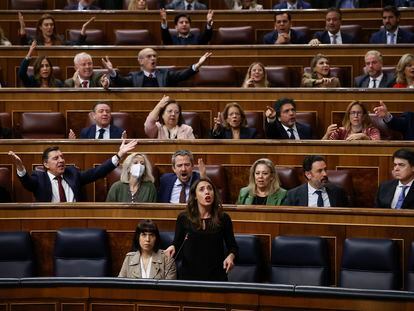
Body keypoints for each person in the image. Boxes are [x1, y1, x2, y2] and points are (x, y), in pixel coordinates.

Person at [8, 139, 138, 202]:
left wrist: (119, 155)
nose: (61, 160)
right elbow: (27, 183)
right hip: (49, 221)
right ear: (46, 164)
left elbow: (97, 173)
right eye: (56, 158)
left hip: (77, 220)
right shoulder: (39, 177)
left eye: (62, 157)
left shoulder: (72, 173)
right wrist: (20, 167)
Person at [165, 178, 238, 281]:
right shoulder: (184, 218)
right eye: (202, 189)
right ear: (195, 196)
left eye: (210, 189)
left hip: (216, 277)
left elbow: (233, 247)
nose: (207, 192)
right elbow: (177, 243)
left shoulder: (223, 218)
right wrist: (172, 247)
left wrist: (231, 256)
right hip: (189, 277)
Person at [102, 48, 211, 87]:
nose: (153, 58)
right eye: (149, 56)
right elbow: (121, 81)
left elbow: (182, 75)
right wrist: (112, 72)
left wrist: (197, 65)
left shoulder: (165, 74)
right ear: (140, 61)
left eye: (154, 56)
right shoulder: (134, 76)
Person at [285, 155, 349, 207]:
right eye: (319, 171)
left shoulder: (338, 193)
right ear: (308, 174)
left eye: (325, 169)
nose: (325, 174)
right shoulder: (293, 195)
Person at [18, 12, 95, 46]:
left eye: (51, 25)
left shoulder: (60, 40)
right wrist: (22, 27)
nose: (49, 27)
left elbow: (77, 45)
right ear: (40, 27)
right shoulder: (34, 41)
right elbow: (23, 45)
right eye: (46, 25)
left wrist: (83, 30)